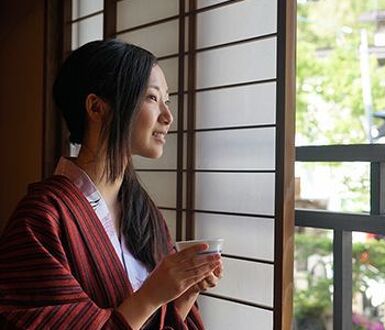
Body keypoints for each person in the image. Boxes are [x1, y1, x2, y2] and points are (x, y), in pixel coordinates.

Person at [0, 39, 223, 329]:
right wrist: (153, 294)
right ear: (97, 108)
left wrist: (186, 289)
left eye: (167, 101)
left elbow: (162, 322)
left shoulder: (144, 212)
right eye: (152, 98)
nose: (168, 117)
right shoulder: (42, 216)